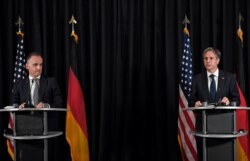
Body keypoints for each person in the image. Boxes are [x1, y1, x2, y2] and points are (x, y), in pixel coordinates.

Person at [188, 47, 240, 160]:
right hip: (203, 127)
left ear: (218, 60)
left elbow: (236, 100)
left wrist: (229, 102)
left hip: (224, 126)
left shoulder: (229, 78)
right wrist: (195, 104)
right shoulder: (196, 79)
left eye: (211, 58)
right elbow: (191, 101)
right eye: (205, 58)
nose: (208, 61)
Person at [11, 52, 63, 161]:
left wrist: (46, 105)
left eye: (41, 64)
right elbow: (14, 104)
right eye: (35, 64)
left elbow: (59, 103)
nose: (39, 68)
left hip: (47, 129)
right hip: (25, 130)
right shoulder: (19, 84)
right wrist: (18, 106)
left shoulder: (51, 82)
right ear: (26, 66)